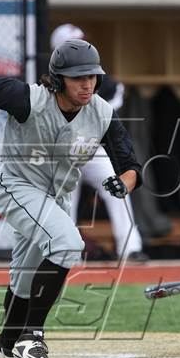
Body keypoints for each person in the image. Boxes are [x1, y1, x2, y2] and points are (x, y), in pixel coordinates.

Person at [0, 39, 142, 358]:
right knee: (67, 243)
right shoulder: (28, 99)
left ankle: (7, 345)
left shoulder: (100, 112)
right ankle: (33, 336)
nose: (87, 84)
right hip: (14, 185)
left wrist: (124, 184)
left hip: (56, 197)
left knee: (26, 277)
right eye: (78, 77)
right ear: (58, 79)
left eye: (92, 76)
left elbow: (131, 165)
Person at [51, 24, 148, 262]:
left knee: (119, 187)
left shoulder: (96, 77)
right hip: (62, 152)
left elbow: (115, 92)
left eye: (82, 42)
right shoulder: (48, 81)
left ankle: (130, 248)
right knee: (65, 198)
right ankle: (66, 250)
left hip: (92, 148)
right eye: (72, 44)